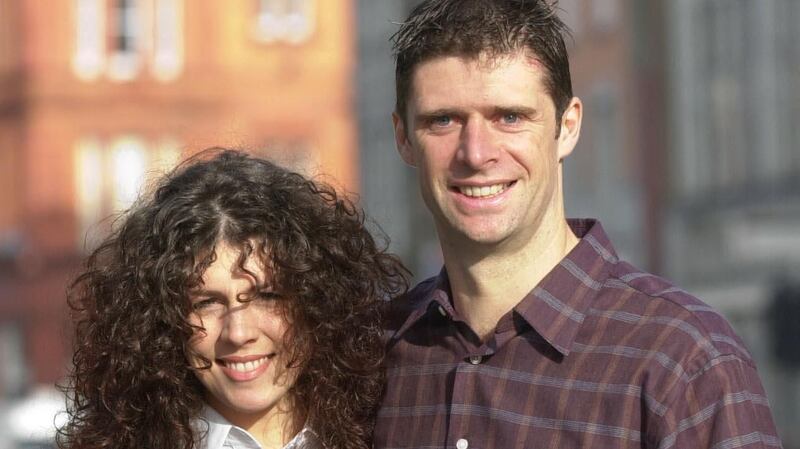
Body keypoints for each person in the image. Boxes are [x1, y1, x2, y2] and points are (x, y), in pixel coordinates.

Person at [375, 1, 783, 448]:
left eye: (510, 117)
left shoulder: (684, 360)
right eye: (444, 120)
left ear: (567, 127)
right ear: (403, 139)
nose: (476, 153)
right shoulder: (371, 357)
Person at [58, 149, 408, 449]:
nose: (238, 333)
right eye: (206, 302)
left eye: (268, 296)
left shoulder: (392, 431)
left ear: (319, 301)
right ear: (158, 320)